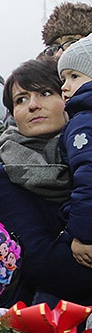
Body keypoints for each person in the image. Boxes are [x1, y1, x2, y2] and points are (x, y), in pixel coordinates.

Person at [0, 58, 88, 305]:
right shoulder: (4, 177)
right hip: (48, 315)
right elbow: (40, 262)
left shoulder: (85, 158)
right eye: (21, 100)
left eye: (45, 93)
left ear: (66, 97)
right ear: (12, 114)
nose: (33, 105)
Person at [58, 36, 92, 267]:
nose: (64, 86)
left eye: (74, 76)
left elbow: (87, 176)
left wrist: (82, 234)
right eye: (63, 78)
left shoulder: (83, 122)